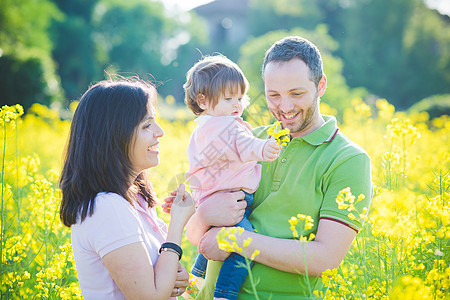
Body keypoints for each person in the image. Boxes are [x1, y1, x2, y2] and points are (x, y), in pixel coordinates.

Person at [181, 36, 373, 299]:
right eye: (273, 95)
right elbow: (194, 234)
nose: (284, 107)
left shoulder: (347, 159)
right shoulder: (247, 140)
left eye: (297, 94)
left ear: (321, 85)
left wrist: (236, 240)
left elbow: (324, 259)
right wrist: (203, 215)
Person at [59, 78, 195, 299]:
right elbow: (149, 296)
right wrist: (176, 224)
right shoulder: (106, 208)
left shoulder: (134, 200)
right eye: (147, 125)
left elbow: (160, 281)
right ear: (114, 136)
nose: (159, 132)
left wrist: (171, 276)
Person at [183, 55, 281, 300]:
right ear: (203, 100)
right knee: (244, 247)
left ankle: (197, 275)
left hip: (218, 199)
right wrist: (262, 148)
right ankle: (224, 294)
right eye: (229, 98)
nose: (237, 104)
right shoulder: (222, 127)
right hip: (228, 202)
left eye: (240, 98)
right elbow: (239, 144)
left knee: (224, 241)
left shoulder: (208, 125)